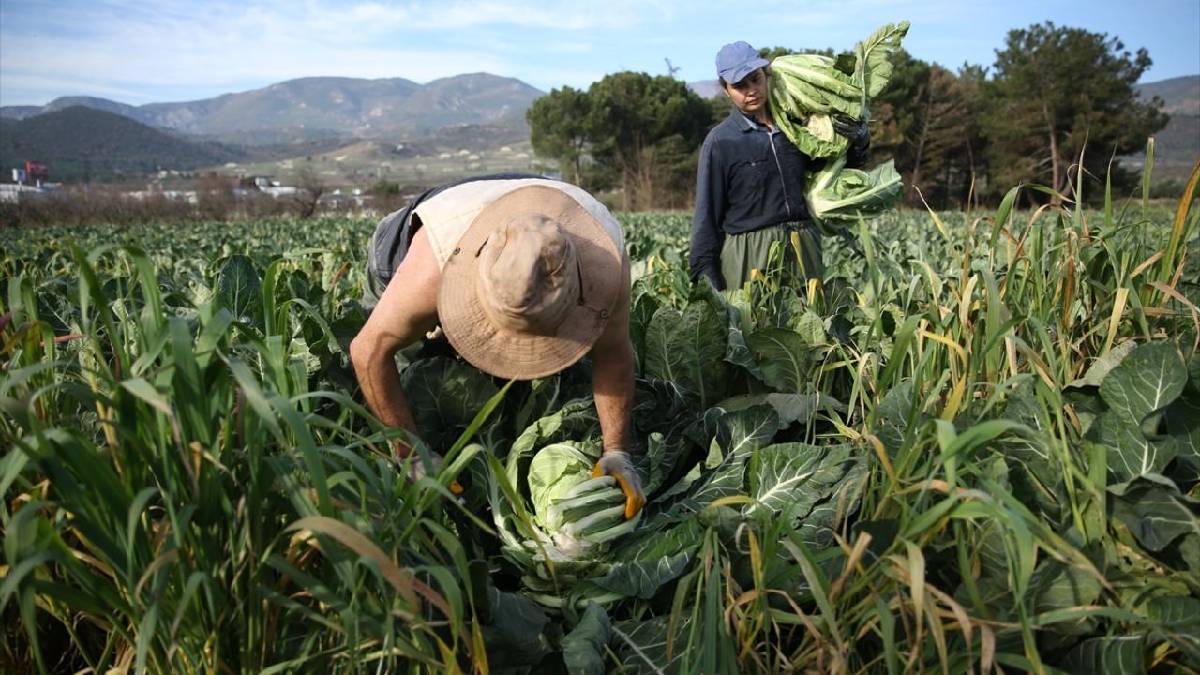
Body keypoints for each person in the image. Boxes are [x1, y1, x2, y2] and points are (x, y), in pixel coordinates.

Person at [350, 174, 645, 519]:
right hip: (413, 241)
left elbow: (614, 357)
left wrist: (616, 450)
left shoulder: (605, 259)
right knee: (412, 381)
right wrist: (409, 451)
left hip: (514, 207)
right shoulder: (431, 270)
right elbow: (367, 352)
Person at [689, 41, 871, 291]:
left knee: (811, 326)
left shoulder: (796, 130)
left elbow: (835, 175)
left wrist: (858, 142)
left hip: (804, 248)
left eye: (755, 79)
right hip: (750, 256)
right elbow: (706, 217)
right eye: (739, 86)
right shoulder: (721, 142)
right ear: (726, 90)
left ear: (766, 75)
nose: (751, 90)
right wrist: (707, 283)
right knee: (756, 327)